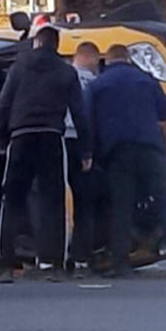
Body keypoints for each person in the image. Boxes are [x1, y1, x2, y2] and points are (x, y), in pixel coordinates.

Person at [0, 26, 92, 283]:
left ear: (36, 43)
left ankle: (5, 264)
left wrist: (1, 138)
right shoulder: (65, 71)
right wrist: (85, 148)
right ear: (56, 46)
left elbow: (3, 103)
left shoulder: (19, 67)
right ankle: (54, 264)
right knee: (53, 200)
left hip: (20, 135)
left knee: (11, 199)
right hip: (51, 135)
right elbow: (79, 112)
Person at [86, 45, 166, 278]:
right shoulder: (146, 80)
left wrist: (91, 154)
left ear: (107, 61)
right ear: (128, 59)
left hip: (118, 152)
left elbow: (88, 121)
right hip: (150, 149)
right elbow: (165, 114)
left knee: (121, 207)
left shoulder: (97, 85)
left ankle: (120, 264)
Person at [65, 42, 102, 274]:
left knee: (50, 200)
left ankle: (50, 256)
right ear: (95, 59)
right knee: (84, 202)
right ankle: (81, 255)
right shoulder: (93, 83)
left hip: (57, 139)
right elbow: (92, 118)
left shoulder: (59, 77)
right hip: (82, 142)